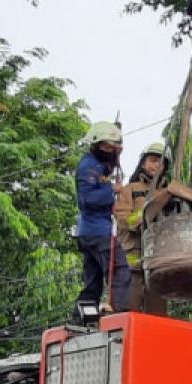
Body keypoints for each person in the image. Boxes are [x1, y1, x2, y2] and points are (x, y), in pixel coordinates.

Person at [74, 121, 131, 318]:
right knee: (119, 269)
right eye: (106, 147)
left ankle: (82, 317)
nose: (109, 151)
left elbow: (106, 170)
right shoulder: (88, 166)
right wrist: (111, 190)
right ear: (96, 145)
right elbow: (87, 199)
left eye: (112, 147)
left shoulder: (98, 165)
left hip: (89, 233)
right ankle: (118, 311)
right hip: (98, 232)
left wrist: (117, 153)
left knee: (94, 280)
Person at [114, 142, 169, 315]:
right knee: (128, 314)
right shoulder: (130, 190)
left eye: (161, 162)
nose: (156, 165)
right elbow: (122, 218)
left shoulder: (169, 193)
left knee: (158, 320)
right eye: (152, 160)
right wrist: (144, 218)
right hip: (132, 267)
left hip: (158, 267)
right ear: (143, 163)